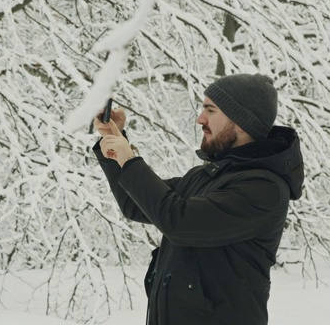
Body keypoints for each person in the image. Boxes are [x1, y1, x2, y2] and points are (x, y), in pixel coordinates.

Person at [93, 73, 304, 325]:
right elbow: (136, 205)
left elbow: (178, 222)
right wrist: (114, 146)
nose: (200, 119)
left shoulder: (264, 189)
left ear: (240, 122)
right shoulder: (204, 176)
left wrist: (129, 160)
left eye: (210, 110)